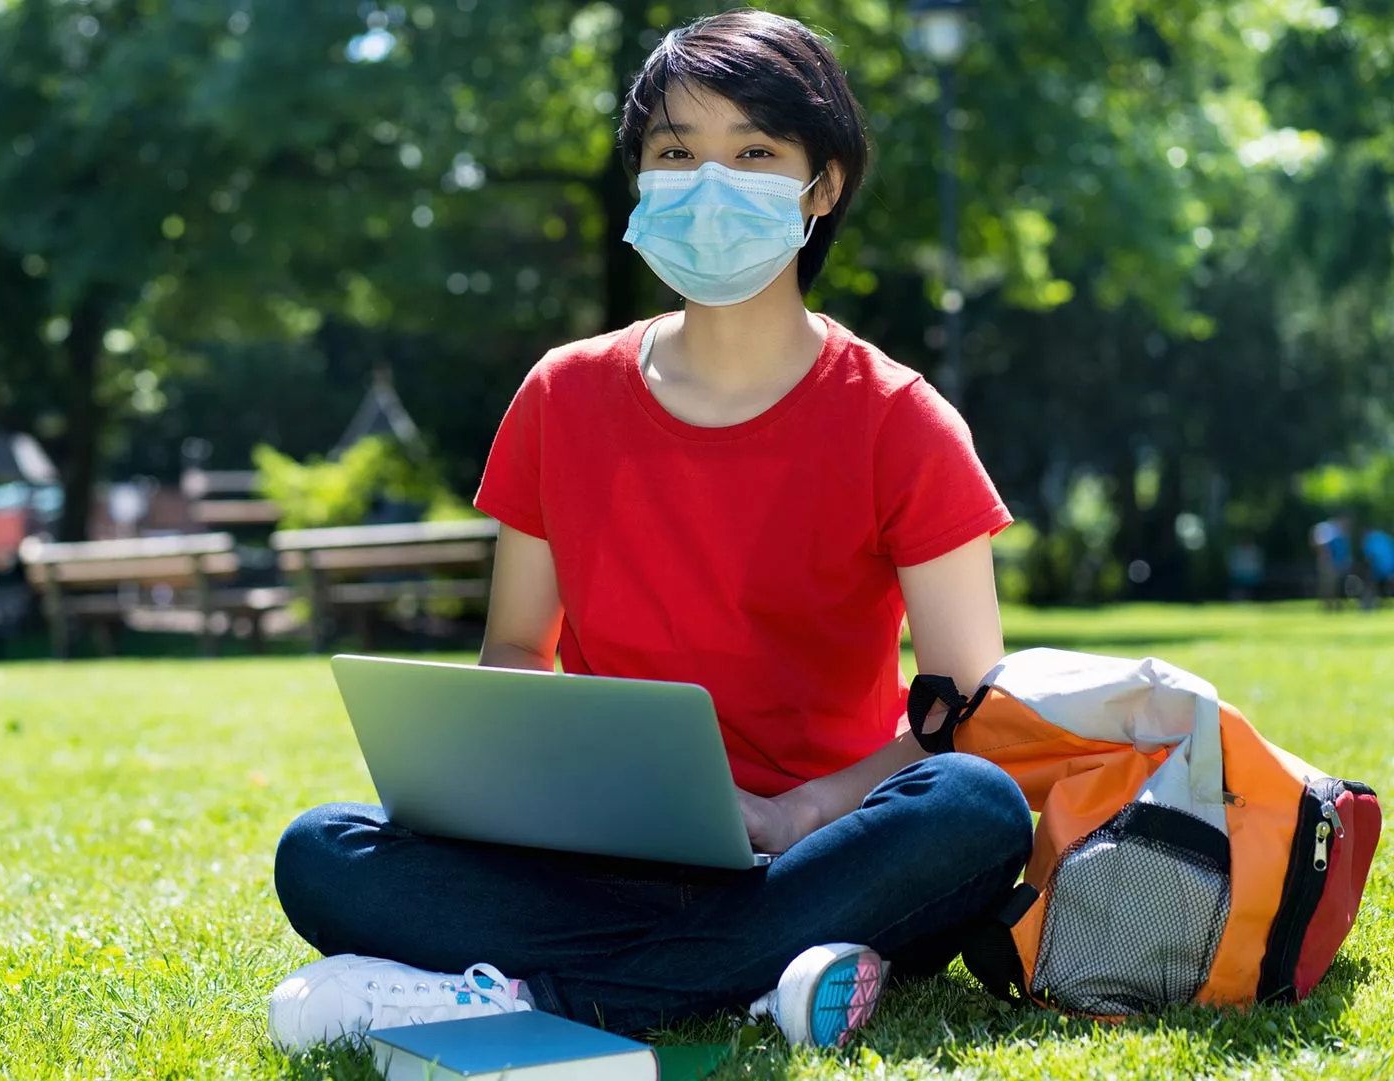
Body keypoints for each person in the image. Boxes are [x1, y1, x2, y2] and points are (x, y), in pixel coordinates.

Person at [267, 10, 1031, 1053]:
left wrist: (798, 815)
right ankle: (748, 976)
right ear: (640, 179)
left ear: (823, 186)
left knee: (977, 808)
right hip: (592, 853)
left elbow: (971, 713)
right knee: (319, 848)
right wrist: (521, 793)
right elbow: (514, 650)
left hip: (818, 851)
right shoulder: (561, 395)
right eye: (676, 153)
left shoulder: (901, 420)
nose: (710, 184)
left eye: (754, 153)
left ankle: (537, 989)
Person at [1311, 514, 1353, 612]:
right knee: (1328, 585)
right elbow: (1321, 546)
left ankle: (1333, 604)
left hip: (1337, 563)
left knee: (1335, 585)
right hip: (1328, 563)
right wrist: (1325, 560)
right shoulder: (1327, 528)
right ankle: (1327, 605)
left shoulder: (1338, 531)